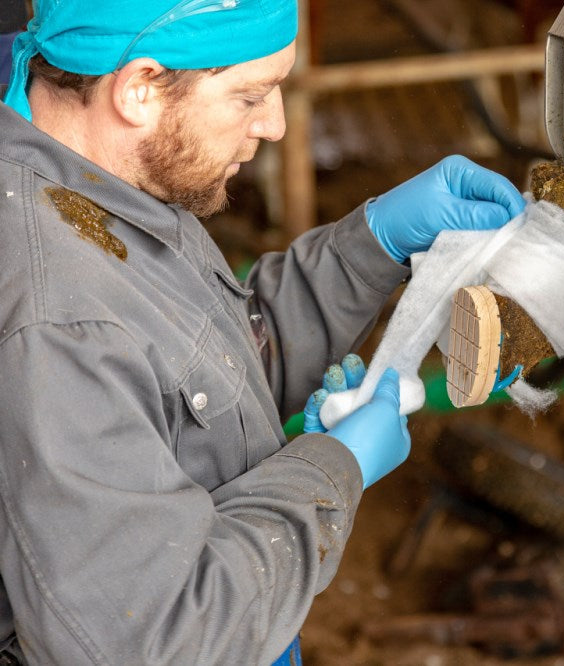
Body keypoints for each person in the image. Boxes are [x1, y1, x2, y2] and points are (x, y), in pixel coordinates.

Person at [0, 0, 525, 663]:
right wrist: (333, 467)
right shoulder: (57, 320)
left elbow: (193, 369)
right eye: (250, 95)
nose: (275, 125)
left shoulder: (104, 187)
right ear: (139, 88)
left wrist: (371, 245)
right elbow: (156, 638)